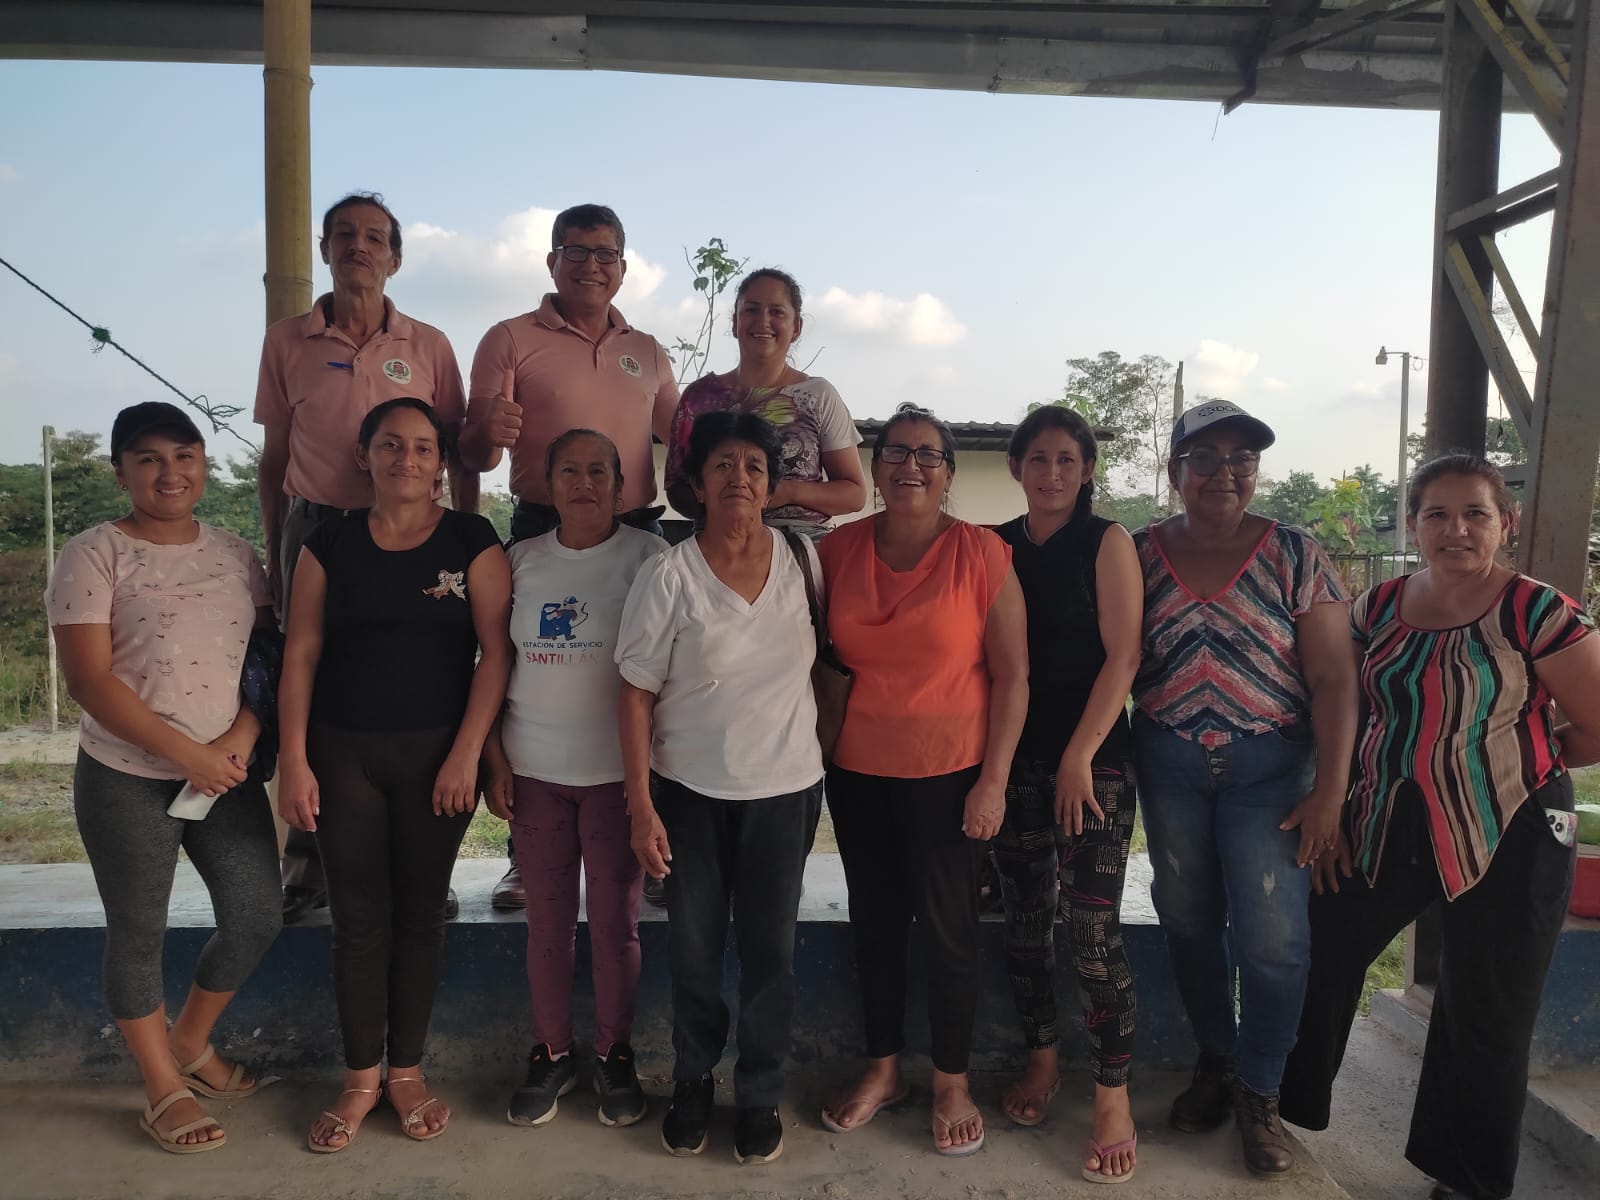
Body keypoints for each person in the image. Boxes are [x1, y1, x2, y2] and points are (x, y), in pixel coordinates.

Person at [1280, 455, 1600, 1200]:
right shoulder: (1378, 607)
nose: (1456, 529)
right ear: (1414, 525)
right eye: (1437, 515)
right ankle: (1278, 1108)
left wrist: (1518, 759)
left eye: (1475, 514)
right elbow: (1342, 702)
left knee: (1487, 1008)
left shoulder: (1536, 611)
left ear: (1505, 523)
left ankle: (1466, 1179)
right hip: (1384, 817)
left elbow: (1595, 725)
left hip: (1512, 824)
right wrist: (1335, 799)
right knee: (1321, 950)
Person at [277, 398, 511, 1152]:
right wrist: (292, 759)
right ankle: (359, 1079)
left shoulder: (473, 539)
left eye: (422, 447)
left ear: (441, 461)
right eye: (390, 445)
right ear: (364, 456)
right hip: (340, 753)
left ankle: (405, 1071)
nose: (407, 459)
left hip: (437, 758)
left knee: (419, 916)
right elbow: (301, 651)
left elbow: (496, 653)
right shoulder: (328, 542)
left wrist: (467, 752)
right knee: (357, 921)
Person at [47, 401, 281, 1154]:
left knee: (257, 914)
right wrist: (189, 756)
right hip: (126, 774)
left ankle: (189, 1040)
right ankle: (161, 1087)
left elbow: (264, 662)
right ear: (121, 472)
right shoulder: (93, 554)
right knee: (138, 930)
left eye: (184, 456)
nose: (169, 472)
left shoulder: (237, 554)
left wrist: (240, 738)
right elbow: (88, 679)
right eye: (148, 458)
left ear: (203, 466)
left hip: (225, 772)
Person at [1131, 400, 1357, 1177]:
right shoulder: (1138, 553)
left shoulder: (1295, 553)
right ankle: (1218, 1061)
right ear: (1175, 470)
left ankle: (1261, 1090)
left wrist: (1331, 792)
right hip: (1170, 764)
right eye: (1205, 458)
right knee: (1188, 918)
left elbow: (1334, 678)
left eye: (1241, 459)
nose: (1224, 473)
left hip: (1271, 770)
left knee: (1274, 939)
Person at [255, 190, 476, 925]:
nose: (359, 246)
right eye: (344, 234)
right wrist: (275, 550)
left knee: (427, 679)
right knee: (311, 683)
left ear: (395, 258)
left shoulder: (430, 345)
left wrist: (464, 534)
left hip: (417, 535)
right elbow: (274, 458)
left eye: (375, 237)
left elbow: (454, 451)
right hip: (319, 528)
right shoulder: (287, 341)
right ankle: (307, 865)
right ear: (324, 249)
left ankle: (427, 865)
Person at [818, 403, 1028, 1157]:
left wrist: (993, 783)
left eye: (927, 455)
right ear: (875, 469)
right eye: (896, 453)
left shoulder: (982, 553)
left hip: (950, 773)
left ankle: (950, 1081)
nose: (911, 466)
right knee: (874, 924)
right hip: (857, 773)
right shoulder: (835, 552)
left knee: (949, 933)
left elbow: (1013, 677)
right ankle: (884, 1071)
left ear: (948, 472)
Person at [617, 411, 824, 1166]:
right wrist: (641, 805)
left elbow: (827, 672)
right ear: (697, 484)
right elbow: (634, 693)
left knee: (772, 954)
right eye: (723, 465)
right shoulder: (669, 574)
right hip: (690, 794)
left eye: (754, 467)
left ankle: (761, 1092)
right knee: (695, 952)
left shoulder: (804, 561)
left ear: (771, 486)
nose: (740, 477)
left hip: (786, 791)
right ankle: (694, 1081)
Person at [462, 202, 680, 910]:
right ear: (552, 260)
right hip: (541, 525)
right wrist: (486, 433)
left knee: (648, 682)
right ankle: (525, 857)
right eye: (577, 251)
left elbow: (684, 438)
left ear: (624, 266)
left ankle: (649, 846)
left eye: (605, 253)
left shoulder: (648, 350)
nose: (591, 265)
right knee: (533, 673)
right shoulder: (508, 338)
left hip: (637, 528)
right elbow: (476, 451)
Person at [479, 429, 666, 1129]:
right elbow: (491, 662)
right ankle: (551, 1052)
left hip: (618, 779)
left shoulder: (649, 557)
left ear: (621, 487)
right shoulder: (519, 559)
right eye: (568, 471)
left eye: (598, 472)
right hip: (535, 776)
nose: (583, 483)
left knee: (617, 927)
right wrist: (495, 759)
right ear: (546, 484)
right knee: (547, 927)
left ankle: (614, 1053)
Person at [992, 405, 1143, 1183]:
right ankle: (1043, 1060)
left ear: (1086, 471)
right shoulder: (994, 547)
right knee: (1024, 925)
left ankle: (1113, 1096)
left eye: (1067, 460)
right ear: (1017, 467)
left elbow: (1124, 657)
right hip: (1013, 762)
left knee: (1089, 931)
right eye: (1038, 459)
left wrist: (1079, 755)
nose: (1052, 473)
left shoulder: (1106, 541)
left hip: (1094, 764)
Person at [663, 267, 865, 539]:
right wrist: (730, 504)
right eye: (752, 310)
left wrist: (786, 492)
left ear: (796, 327)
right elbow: (676, 487)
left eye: (777, 312)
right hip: (718, 544)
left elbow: (854, 494)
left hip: (802, 542)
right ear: (735, 322)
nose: (763, 321)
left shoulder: (818, 396)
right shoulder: (699, 396)